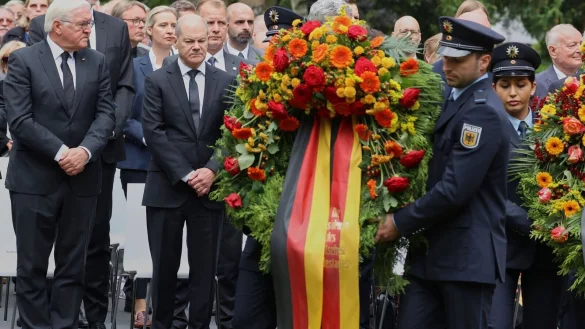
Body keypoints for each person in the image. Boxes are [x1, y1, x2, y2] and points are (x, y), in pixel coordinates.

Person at [376, 17, 508, 329]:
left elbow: (454, 189)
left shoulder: (483, 111)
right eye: (446, 57)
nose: (447, 66)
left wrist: (399, 221)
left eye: (458, 60)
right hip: (430, 255)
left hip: (465, 260)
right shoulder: (451, 96)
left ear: (483, 61)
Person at [4, 1, 116, 328]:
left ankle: (65, 323)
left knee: (73, 265)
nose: (88, 30)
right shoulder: (24, 60)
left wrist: (85, 152)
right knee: (32, 266)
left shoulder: (96, 61)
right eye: (82, 24)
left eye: (89, 24)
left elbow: (106, 114)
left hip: (82, 179)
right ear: (57, 27)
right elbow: (20, 120)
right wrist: (62, 153)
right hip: (33, 181)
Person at [28, 2, 135, 329]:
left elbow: (126, 86)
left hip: (100, 154)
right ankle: (57, 316)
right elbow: (41, 80)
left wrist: (100, 135)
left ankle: (95, 317)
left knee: (96, 239)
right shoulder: (41, 23)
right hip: (52, 155)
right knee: (50, 238)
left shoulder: (116, 28)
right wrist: (65, 143)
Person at [141, 13, 234, 329]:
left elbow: (232, 133)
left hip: (210, 190)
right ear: (175, 41)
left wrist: (210, 170)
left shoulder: (225, 80)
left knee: (205, 271)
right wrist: (186, 174)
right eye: (189, 41)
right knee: (164, 269)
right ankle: (163, 324)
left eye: (201, 41)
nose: (197, 47)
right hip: (167, 189)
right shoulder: (157, 80)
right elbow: (154, 132)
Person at [487, 42, 563, 329]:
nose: (513, 92)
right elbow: (484, 189)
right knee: (497, 323)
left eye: (521, 84)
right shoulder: (486, 127)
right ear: (494, 88)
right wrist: (530, 222)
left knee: (543, 322)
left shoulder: (552, 127)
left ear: (534, 86)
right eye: (505, 85)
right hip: (501, 245)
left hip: (545, 251)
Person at [116, 5, 177, 328]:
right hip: (139, 160)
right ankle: (140, 303)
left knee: (170, 236)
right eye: (163, 24)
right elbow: (123, 114)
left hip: (178, 164)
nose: (169, 30)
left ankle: (172, 305)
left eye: (173, 24)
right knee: (141, 235)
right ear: (149, 30)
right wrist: (152, 139)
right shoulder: (133, 65)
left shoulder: (186, 63)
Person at [432, 0, 490, 80]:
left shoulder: (496, 69)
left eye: (482, 28)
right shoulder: (435, 72)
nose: (476, 33)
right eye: (469, 27)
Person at [534, 24, 583, 99]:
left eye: (581, 44)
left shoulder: (583, 78)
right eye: (572, 45)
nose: (580, 50)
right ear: (553, 51)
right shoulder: (536, 84)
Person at [0, 40, 24, 155]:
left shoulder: (40, 88)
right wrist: (4, 141)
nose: (12, 64)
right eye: (7, 60)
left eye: (19, 60)